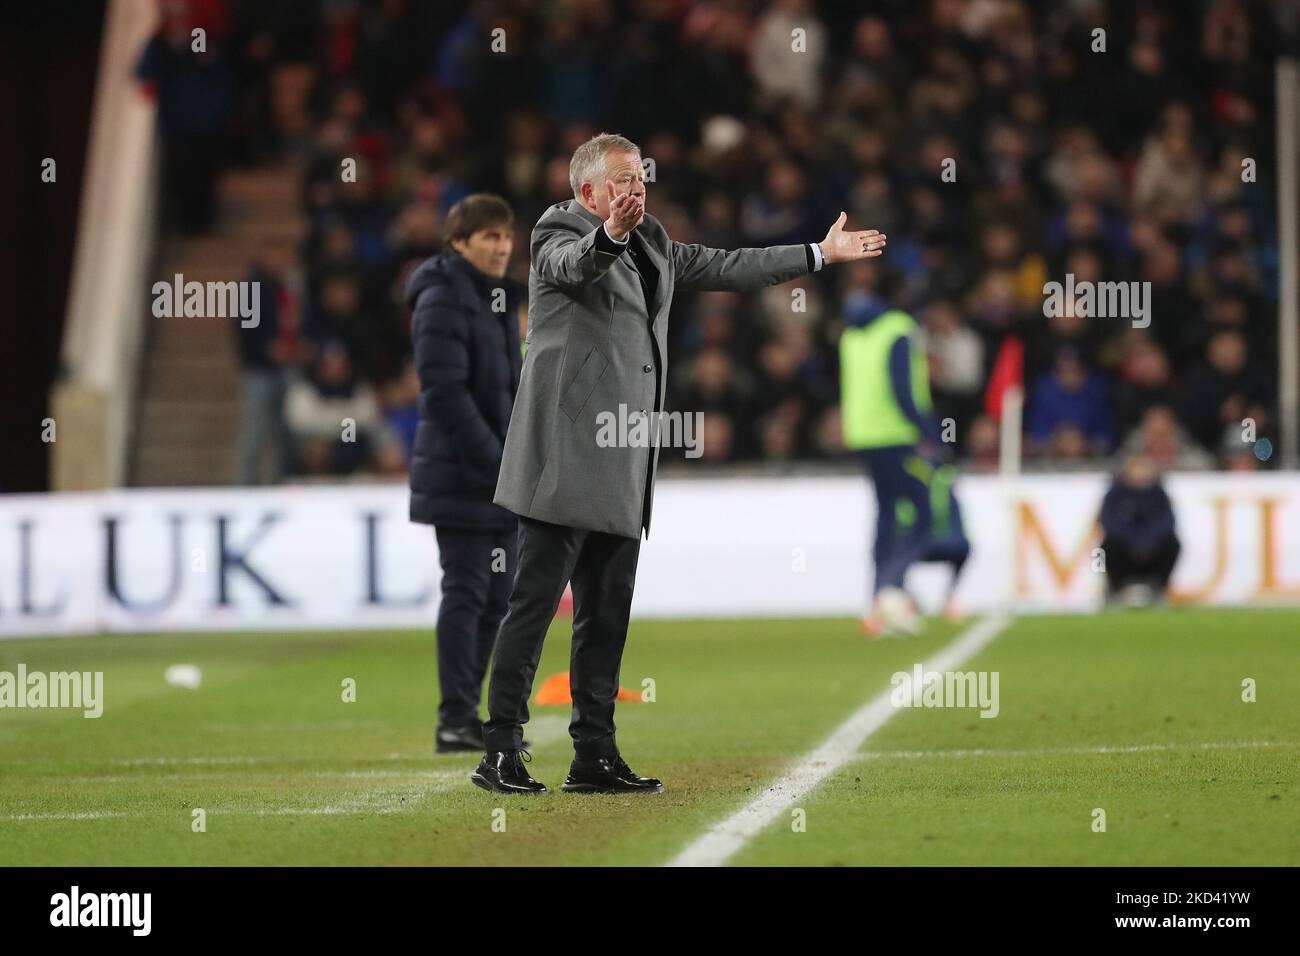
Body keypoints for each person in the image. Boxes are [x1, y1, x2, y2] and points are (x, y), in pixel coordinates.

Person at [474, 133, 887, 794]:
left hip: (623, 458)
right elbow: (573, 267)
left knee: (606, 615)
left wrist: (818, 253)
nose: (635, 190)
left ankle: (594, 755)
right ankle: (499, 749)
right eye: (620, 181)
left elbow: (729, 266)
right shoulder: (558, 230)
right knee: (533, 605)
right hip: (563, 458)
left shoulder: (656, 241)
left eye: (639, 178)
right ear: (587, 192)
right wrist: (607, 232)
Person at [406, 194, 523, 753]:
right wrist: (498, 462)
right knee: (468, 591)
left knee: (497, 598)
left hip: (498, 475)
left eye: (505, 236)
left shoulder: (493, 297)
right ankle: (454, 716)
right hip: (462, 476)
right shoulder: (443, 298)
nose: (502, 246)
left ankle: (466, 716)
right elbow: (445, 394)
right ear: (459, 242)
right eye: (489, 237)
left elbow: (510, 389)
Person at [840, 295, 964, 635]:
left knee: (888, 513)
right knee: (922, 511)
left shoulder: (851, 335)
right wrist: (931, 433)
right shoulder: (899, 330)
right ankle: (890, 588)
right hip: (896, 436)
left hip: (863, 436)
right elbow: (902, 390)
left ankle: (879, 597)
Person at [1098, 454, 1181, 606]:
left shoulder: (1159, 494)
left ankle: (1160, 589)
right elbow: (1108, 521)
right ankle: (1114, 589)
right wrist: (1134, 542)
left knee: (1173, 543)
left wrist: (1148, 542)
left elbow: (1167, 522)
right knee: (1104, 548)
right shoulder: (1115, 494)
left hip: (1153, 551)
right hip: (1124, 551)